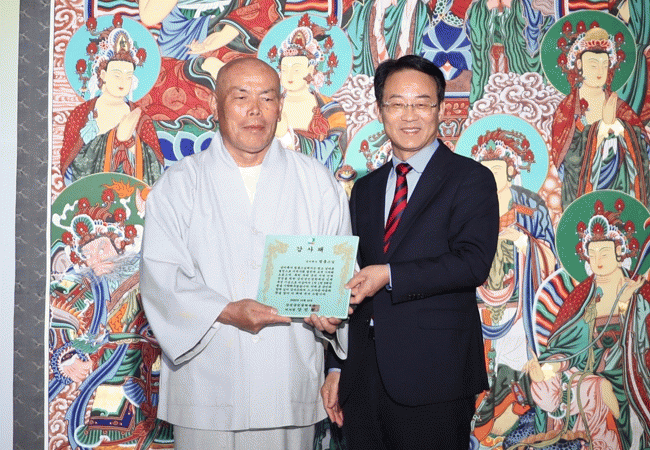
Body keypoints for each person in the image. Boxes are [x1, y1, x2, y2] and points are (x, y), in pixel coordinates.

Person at [139, 57, 351, 449]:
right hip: (205, 382)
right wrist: (225, 310)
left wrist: (332, 312)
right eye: (241, 97)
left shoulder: (318, 184)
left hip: (286, 376)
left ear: (280, 107)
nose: (255, 110)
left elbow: (339, 278)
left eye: (267, 98)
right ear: (214, 105)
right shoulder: (179, 185)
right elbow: (160, 279)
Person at [322, 55, 499, 449]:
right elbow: (348, 274)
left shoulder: (471, 178)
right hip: (362, 376)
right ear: (380, 111)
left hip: (435, 375)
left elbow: (472, 263)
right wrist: (335, 366)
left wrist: (389, 275)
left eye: (422, 103)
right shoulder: (365, 189)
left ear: (441, 109)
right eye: (397, 103)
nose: (409, 115)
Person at [515, 196, 650, 450]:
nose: (598, 259)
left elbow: (643, 343)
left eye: (605, 252)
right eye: (592, 252)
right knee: (579, 385)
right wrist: (548, 369)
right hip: (586, 374)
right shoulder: (581, 297)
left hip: (629, 373)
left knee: (600, 387)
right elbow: (567, 350)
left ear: (620, 253)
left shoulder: (639, 291)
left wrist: (628, 307)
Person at [551, 26, 650, 208]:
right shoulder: (567, 109)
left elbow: (642, 145)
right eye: (593, 64)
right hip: (582, 189)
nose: (599, 71)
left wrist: (619, 127)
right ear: (579, 65)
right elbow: (566, 157)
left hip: (620, 185)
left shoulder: (618, 106)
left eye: (604, 65)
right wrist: (600, 128)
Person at [61, 21, 163, 186]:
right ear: (103, 74)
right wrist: (113, 139)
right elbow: (69, 167)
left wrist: (130, 143)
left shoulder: (141, 117)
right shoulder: (81, 114)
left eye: (128, 76)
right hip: (93, 195)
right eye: (117, 75)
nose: (123, 81)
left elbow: (156, 168)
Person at [272, 25, 347, 175]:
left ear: (311, 70)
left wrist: (289, 139)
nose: (289, 75)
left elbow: (335, 153)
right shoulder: (270, 107)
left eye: (296, 69)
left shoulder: (331, 108)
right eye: (285, 69)